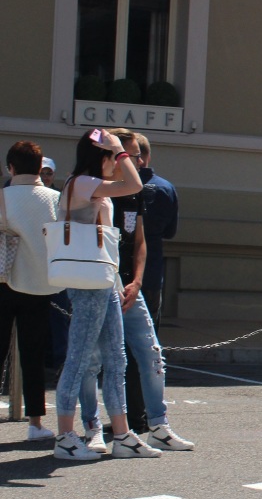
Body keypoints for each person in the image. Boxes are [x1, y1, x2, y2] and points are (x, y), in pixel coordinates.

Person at [79, 129, 194, 453]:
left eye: (131, 155)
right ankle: (91, 428)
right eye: (123, 155)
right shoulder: (90, 188)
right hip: (97, 286)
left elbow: (140, 242)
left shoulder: (134, 195)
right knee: (92, 361)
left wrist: (137, 281)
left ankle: (158, 424)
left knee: (152, 354)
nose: (132, 161)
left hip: (130, 286)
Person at [52, 129, 161, 460]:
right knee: (80, 358)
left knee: (116, 358)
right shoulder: (82, 182)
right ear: (102, 157)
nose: (119, 163)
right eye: (113, 158)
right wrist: (120, 150)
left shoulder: (92, 186)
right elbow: (135, 184)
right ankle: (66, 437)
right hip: (88, 283)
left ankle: (122, 434)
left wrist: (115, 151)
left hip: (105, 279)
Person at [0, 141, 62, 440]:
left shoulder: (3, 197)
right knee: (33, 354)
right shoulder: (55, 199)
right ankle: (35, 423)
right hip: (39, 283)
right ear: (40, 167)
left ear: (10, 167)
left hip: (3, 279)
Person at [135, 133, 178, 324]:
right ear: (148, 156)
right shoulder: (166, 188)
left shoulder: (114, 187)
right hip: (151, 270)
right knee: (149, 335)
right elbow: (170, 232)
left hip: (119, 272)